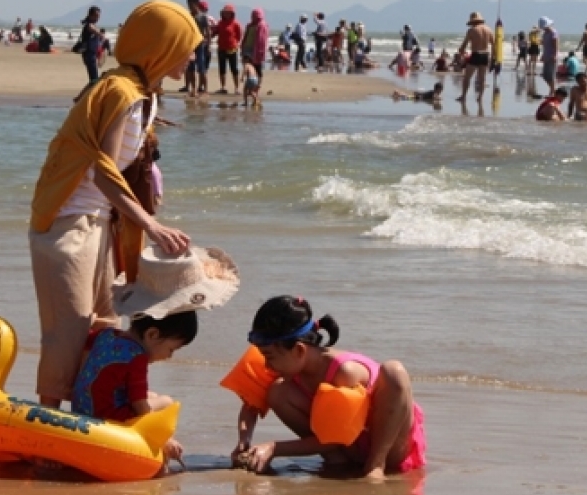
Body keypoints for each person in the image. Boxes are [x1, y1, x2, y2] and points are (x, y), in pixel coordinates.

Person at [29, 0, 198, 412]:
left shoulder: (145, 94)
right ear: (162, 46)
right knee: (68, 330)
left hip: (102, 221)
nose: (192, 56)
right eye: (186, 46)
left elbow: (130, 170)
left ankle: (94, 410)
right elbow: (104, 171)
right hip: (67, 222)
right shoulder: (120, 91)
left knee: (106, 322)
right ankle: (50, 421)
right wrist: (154, 228)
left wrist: (145, 212)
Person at [72, 244, 239, 472]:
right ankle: (162, 452)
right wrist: (162, 438)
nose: (169, 357)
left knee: (153, 395)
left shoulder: (106, 335)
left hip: (83, 409)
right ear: (152, 335)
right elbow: (139, 404)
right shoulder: (137, 357)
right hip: (106, 419)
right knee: (166, 402)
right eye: (171, 349)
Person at [222, 296, 426, 480]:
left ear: (299, 350)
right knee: (276, 392)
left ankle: (375, 465)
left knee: (394, 370)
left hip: (388, 449)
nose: (266, 365)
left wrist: (274, 448)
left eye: (269, 357)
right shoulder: (285, 359)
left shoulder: (345, 372)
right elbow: (251, 404)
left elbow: (337, 437)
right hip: (346, 450)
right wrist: (244, 442)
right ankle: (337, 461)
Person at [456, 12, 494, 102]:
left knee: (467, 77)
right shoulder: (489, 30)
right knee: (482, 78)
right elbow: (494, 45)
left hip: (476, 54)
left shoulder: (472, 30)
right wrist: (493, 58)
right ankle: (480, 97)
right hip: (485, 55)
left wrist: (461, 52)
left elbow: (464, 45)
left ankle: (463, 96)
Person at [214, 4, 242, 95]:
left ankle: (237, 88)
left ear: (232, 14)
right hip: (221, 48)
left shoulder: (236, 24)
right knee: (222, 69)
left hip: (232, 49)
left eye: (228, 13)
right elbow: (215, 32)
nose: (226, 14)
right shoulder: (220, 23)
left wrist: (235, 44)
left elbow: (239, 36)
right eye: (225, 13)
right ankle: (223, 87)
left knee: (234, 69)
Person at [186, 0, 211, 97]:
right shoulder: (188, 16)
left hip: (200, 45)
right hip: (191, 45)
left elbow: (208, 32)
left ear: (196, 4)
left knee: (202, 68)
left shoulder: (202, 16)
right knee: (191, 68)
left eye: (191, 3)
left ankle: (205, 90)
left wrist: (208, 46)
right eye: (188, 4)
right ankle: (194, 89)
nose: (190, 6)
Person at [241, 9, 268, 90]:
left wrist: (260, 52)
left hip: (258, 50)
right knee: (249, 69)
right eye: (254, 16)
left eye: (257, 16)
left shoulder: (262, 25)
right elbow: (245, 36)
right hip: (247, 50)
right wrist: (242, 47)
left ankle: (257, 87)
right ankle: (249, 87)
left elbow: (262, 40)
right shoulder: (249, 25)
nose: (255, 17)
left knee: (258, 70)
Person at [79, 7, 104, 83]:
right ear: (90, 15)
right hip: (89, 54)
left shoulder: (91, 25)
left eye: (98, 16)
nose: (97, 18)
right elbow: (95, 31)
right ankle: (93, 92)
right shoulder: (89, 25)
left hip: (92, 54)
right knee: (94, 78)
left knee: (93, 77)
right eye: (96, 16)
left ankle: (93, 90)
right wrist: (100, 34)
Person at [539, 16, 558, 97]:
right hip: (546, 56)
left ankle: (552, 92)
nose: (544, 28)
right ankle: (553, 90)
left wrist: (554, 55)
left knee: (551, 75)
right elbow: (545, 45)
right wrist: (543, 55)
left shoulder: (553, 33)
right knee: (545, 75)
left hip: (552, 56)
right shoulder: (545, 34)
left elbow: (556, 45)